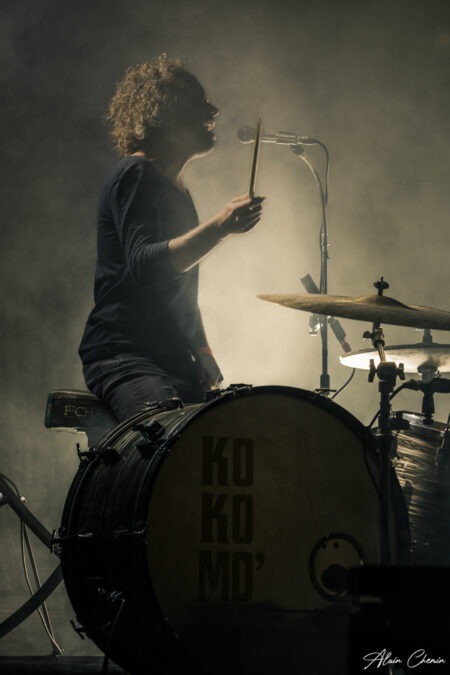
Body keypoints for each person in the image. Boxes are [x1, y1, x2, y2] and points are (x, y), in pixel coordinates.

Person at [79, 54, 264, 423]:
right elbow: (146, 266)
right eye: (199, 103)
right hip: (124, 355)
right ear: (167, 112)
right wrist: (220, 226)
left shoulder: (178, 192)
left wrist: (202, 348)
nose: (213, 111)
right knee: (169, 437)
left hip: (168, 359)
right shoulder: (136, 174)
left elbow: (179, 293)